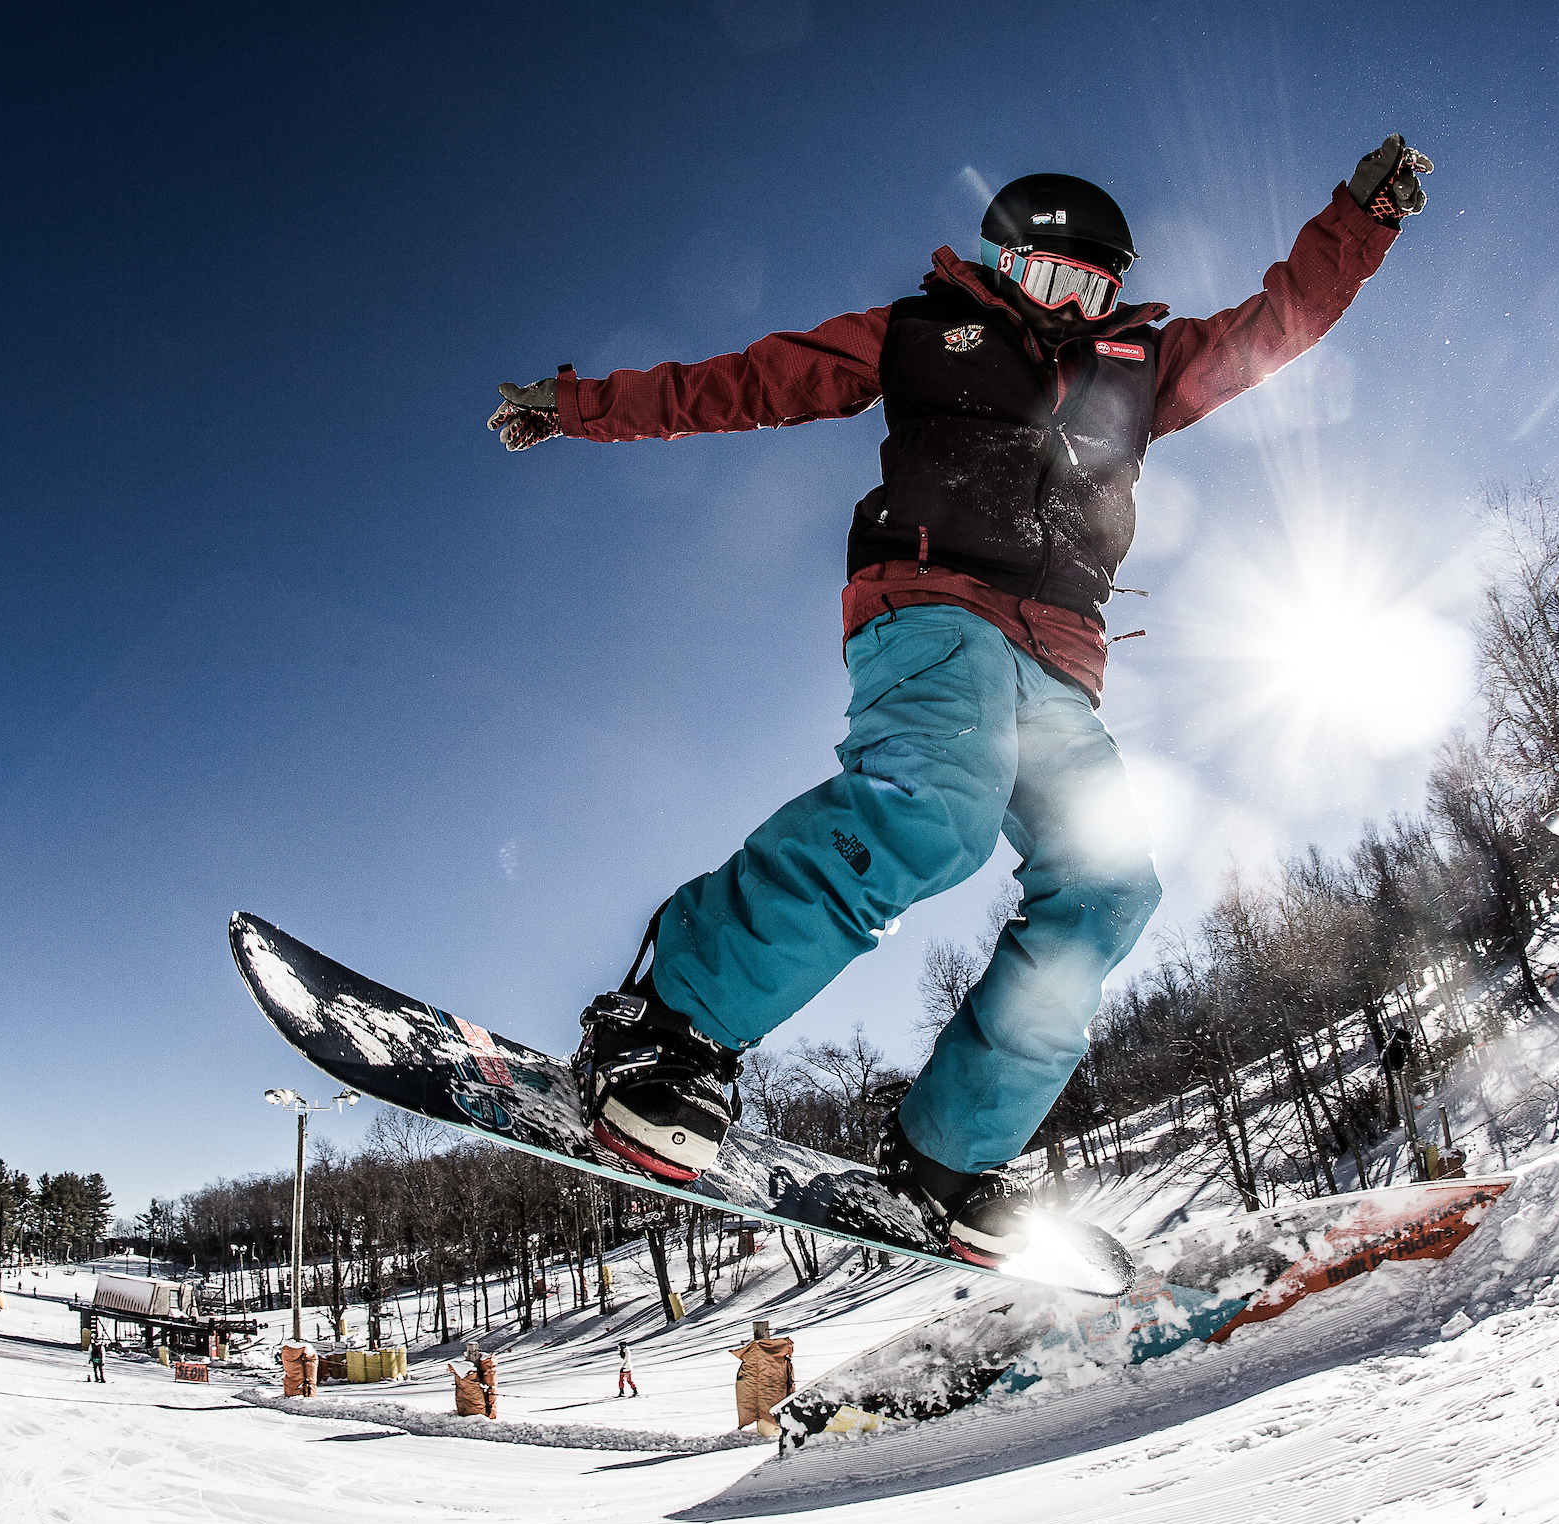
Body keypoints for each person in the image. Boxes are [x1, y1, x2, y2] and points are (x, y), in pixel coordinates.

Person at [491, 139, 1431, 1264]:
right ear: (1006, 263)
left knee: (1110, 886)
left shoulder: (1140, 367)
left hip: (1064, 658)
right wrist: (577, 404)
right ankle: (672, 1029)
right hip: (932, 611)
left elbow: (1278, 322)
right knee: (938, 807)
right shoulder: (921, 332)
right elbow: (741, 383)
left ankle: (951, 1150)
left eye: (1098, 289)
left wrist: (1360, 221)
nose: (1074, 308)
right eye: (1054, 282)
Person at [729, 1321, 795, 1438]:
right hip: (773, 1413)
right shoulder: (777, 1360)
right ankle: (770, 1428)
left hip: (768, 1412)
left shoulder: (754, 1359)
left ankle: (769, 1429)